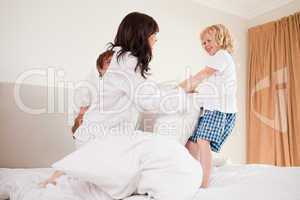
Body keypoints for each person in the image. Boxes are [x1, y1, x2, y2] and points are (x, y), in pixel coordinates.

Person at [41, 12, 202, 200]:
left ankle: (66, 174)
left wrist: (176, 92)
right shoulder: (128, 60)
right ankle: (63, 176)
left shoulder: (121, 58)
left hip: (98, 135)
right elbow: (147, 101)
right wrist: (183, 96)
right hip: (101, 137)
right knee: (160, 156)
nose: (155, 40)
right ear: (142, 35)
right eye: (153, 36)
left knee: (134, 168)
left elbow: (146, 92)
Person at [39, 50, 114, 188]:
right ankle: (56, 177)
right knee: (83, 159)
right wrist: (83, 117)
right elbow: (80, 114)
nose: (112, 65)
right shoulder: (91, 86)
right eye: (108, 62)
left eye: (113, 62)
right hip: (89, 131)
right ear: (100, 69)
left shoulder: (114, 88)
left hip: (106, 133)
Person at [180, 24, 237, 188]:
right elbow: (208, 85)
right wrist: (191, 92)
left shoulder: (221, 55)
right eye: (203, 43)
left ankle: (204, 182)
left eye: (209, 40)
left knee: (203, 141)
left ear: (221, 39)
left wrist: (177, 90)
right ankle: (191, 174)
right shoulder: (218, 61)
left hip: (220, 110)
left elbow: (201, 76)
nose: (206, 45)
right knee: (191, 144)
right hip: (212, 109)